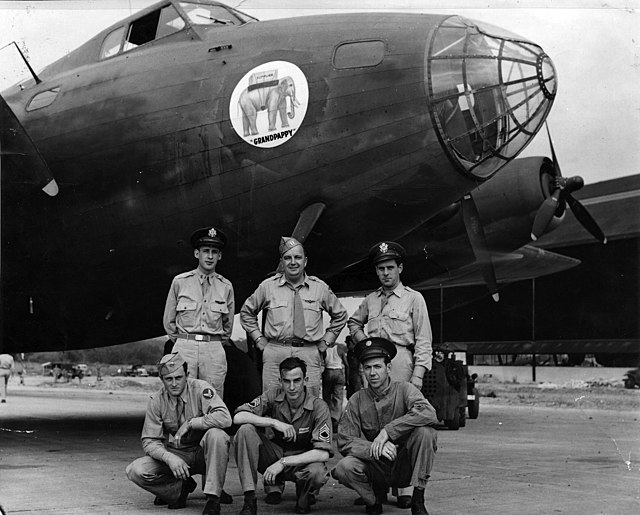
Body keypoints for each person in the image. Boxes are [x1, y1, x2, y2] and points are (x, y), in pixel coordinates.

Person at [347, 241, 433, 508]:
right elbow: (353, 322)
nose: (385, 273)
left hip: (401, 364)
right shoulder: (371, 300)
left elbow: (423, 341)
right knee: (372, 421)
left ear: (400, 268)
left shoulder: (413, 298)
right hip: (374, 364)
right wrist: (363, 345)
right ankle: (378, 485)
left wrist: (417, 376)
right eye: (380, 269)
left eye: (390, 268)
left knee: (404, 422)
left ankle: (405, 490)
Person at [332, 337, 438, 515]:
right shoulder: (356, 399)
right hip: (376, 464)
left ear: (388, 368)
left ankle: (418, 499)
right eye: (367, 368)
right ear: (362, 371)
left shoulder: (405, 389)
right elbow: (345, 440)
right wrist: (375, 447)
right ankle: (372, 501)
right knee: (344, 467)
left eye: (377, 367)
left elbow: (428, 413)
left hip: (404, 463)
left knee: (426, 432)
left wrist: (387, 432)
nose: (372, 373)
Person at [240, 236, 347, 397]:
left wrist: (326, 341)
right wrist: (258, 339)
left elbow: (340, 315)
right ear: (282, 262)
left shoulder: (319, 288)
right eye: (287, 258)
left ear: (305, 261)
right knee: (271, 400)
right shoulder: (268, 287)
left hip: (309, 352)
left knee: (310, 402)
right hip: (275, 351)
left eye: (297, 257)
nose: (293, 262)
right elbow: (246, 312)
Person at [126, 352, 232, 514]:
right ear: (162, 380)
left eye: (179, 378)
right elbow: (149, 441)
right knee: (136, 470)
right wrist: (170, 458)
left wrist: (192, 423)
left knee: (218, 435)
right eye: (168, 379)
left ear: (187, 375)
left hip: (205, 453)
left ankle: (213, 498)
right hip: (178, 453)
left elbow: (225, 418)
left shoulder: (201, 388)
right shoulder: (157, 400)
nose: (174, 383)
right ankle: (179, 488)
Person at [233, 357, 333, 515]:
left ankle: (305, 492)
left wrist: (283, 462)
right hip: (273, 454)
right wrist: (272, 422)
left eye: (297, 380)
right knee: (245, 430)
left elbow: (323, 452)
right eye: (287, 381)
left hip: (301, 462)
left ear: (306, 380)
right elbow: (238, 417)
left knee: (317, 473)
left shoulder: (318, 406)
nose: (292, 387)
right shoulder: (273, 395)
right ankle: (249, 498)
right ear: (280, 381)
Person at [163, 226, 234, 400]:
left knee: (212, 399)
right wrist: (182, 340)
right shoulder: (180, 282)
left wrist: (213, 343)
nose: (210, 256)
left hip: (213, 349)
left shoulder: (226, 286)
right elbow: (169, 321)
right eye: (205, 251)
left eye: (214, 252)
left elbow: (228, 326)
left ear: (220, 256)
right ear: (197, 254)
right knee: (181, 398)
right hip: (184, 346)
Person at [321, 342, 348, 432]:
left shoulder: (324, 350)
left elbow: (322, 363)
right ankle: (336, 419)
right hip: (338, 372)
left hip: (328, 372)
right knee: (338, 397)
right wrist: (347, 378)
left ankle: (329, 418)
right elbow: (346, 364)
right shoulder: (340, 349)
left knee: (327, 396)